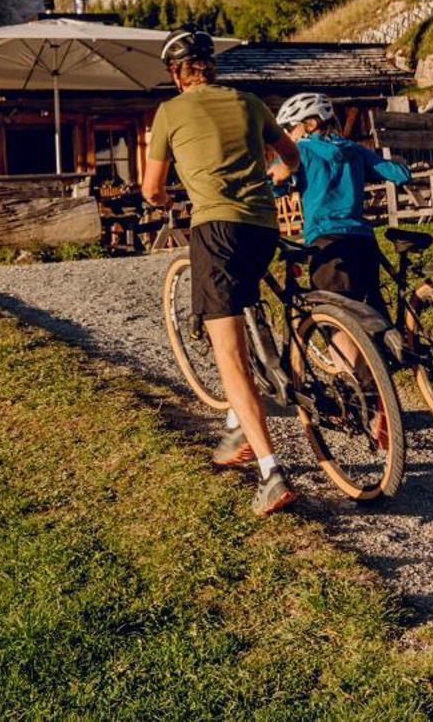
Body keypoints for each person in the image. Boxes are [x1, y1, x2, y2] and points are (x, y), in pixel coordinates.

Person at [140, 30, 303, 517]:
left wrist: (169, 201)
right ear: (212, 67)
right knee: (246, 309)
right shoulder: (250, 103)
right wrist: (273, 179)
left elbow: (150, 190)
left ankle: (271, 472)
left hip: (215, 231)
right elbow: (289, 158)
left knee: (228, 354)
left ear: (176, 73)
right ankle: (239, 422)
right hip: (262, 228)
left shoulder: (169, 113)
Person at [269, 92, 411, 314]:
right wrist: (398, 163)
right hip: (363, 240)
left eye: (290, 127)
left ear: (311, 123)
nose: (286, 135)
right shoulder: (354, 149)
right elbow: (400, 175)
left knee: (339, 321)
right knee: (372, 317)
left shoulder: (299, 151)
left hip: (327, 241)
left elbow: (274, 186)